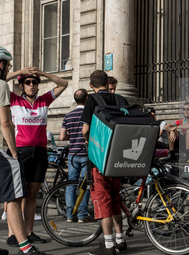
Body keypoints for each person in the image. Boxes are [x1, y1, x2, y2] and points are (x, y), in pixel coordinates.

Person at [0, 46, 47, 255]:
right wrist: (13, 151)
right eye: (8, 66)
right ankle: (26, 247)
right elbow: (6, 123)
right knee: (13, 198)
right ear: (2, 65)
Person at [5, 67, 68, 246]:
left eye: (34, 82)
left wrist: (44, 74)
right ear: (21, 86)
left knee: (33, 194)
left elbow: (63, 83)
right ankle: (12, 234)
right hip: (21, 150)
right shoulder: (15, 100)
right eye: (27, 82)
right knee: (17, 194)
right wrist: (21, 71)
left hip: (40, 151)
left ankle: (29, 231)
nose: (32, 85)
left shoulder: (43, 101)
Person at [81, 70, 128, 255]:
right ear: (108, 82)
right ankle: (120, 240)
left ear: (91, 85)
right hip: (118, 158)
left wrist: (88, 140)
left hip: (99, 160)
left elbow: (85, 129)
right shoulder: (120, 99)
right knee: (115, 199)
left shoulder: (91, 101)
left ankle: (108, 246)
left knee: (103, 201)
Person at [60, 88, 91, 223]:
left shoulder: (68, 115)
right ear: (87, 99)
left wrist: (71, 136)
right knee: (85, 184)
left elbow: (62, 137)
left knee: (71, 184)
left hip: (72, 153)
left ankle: (69, 214)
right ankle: (82, 214)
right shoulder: (89, 114)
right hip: (86, 153)